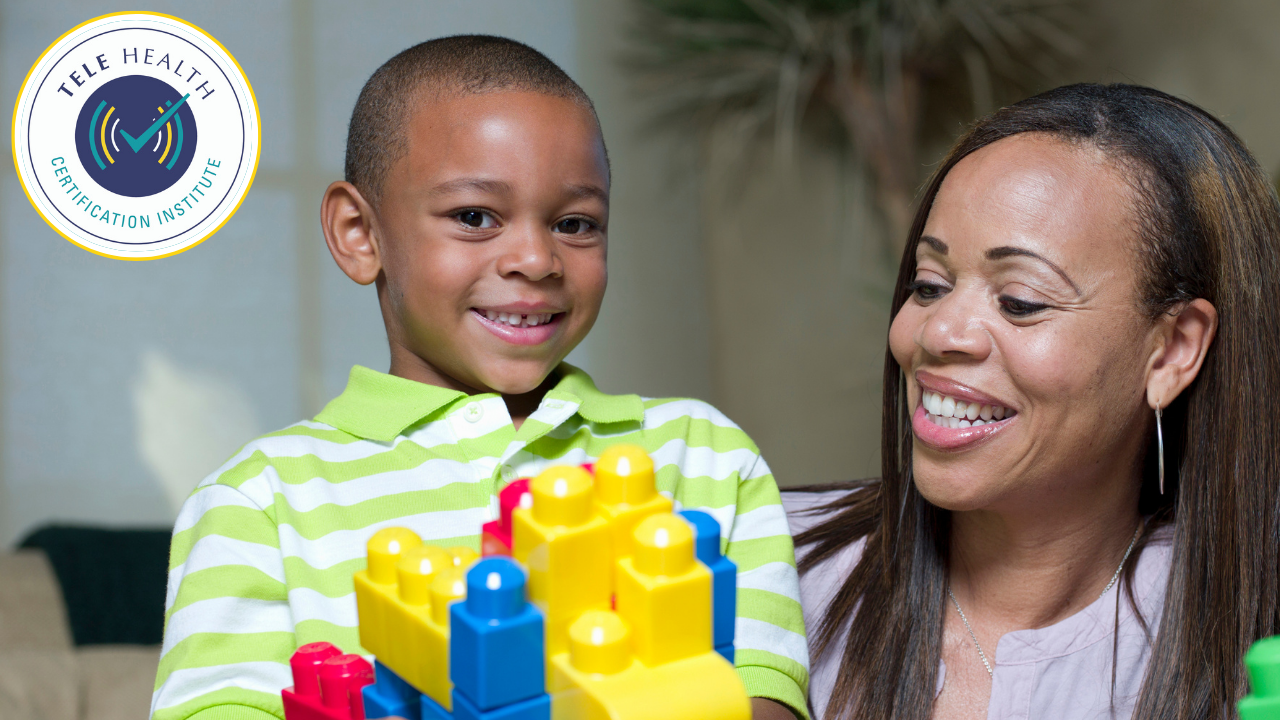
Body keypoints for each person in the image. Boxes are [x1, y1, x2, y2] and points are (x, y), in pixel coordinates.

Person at [151, 36, 808, 720]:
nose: (536, 259)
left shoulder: (702, 455)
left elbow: (765, 698)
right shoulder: (258, 500)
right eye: (474, 218)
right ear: (359, 233)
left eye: (575, 223)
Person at [786, 83, 1280, 720]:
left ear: (1171, 352)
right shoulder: (756, 565)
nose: (938, 333)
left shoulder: (1251, 635)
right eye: (930, 285)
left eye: (1020, 301)